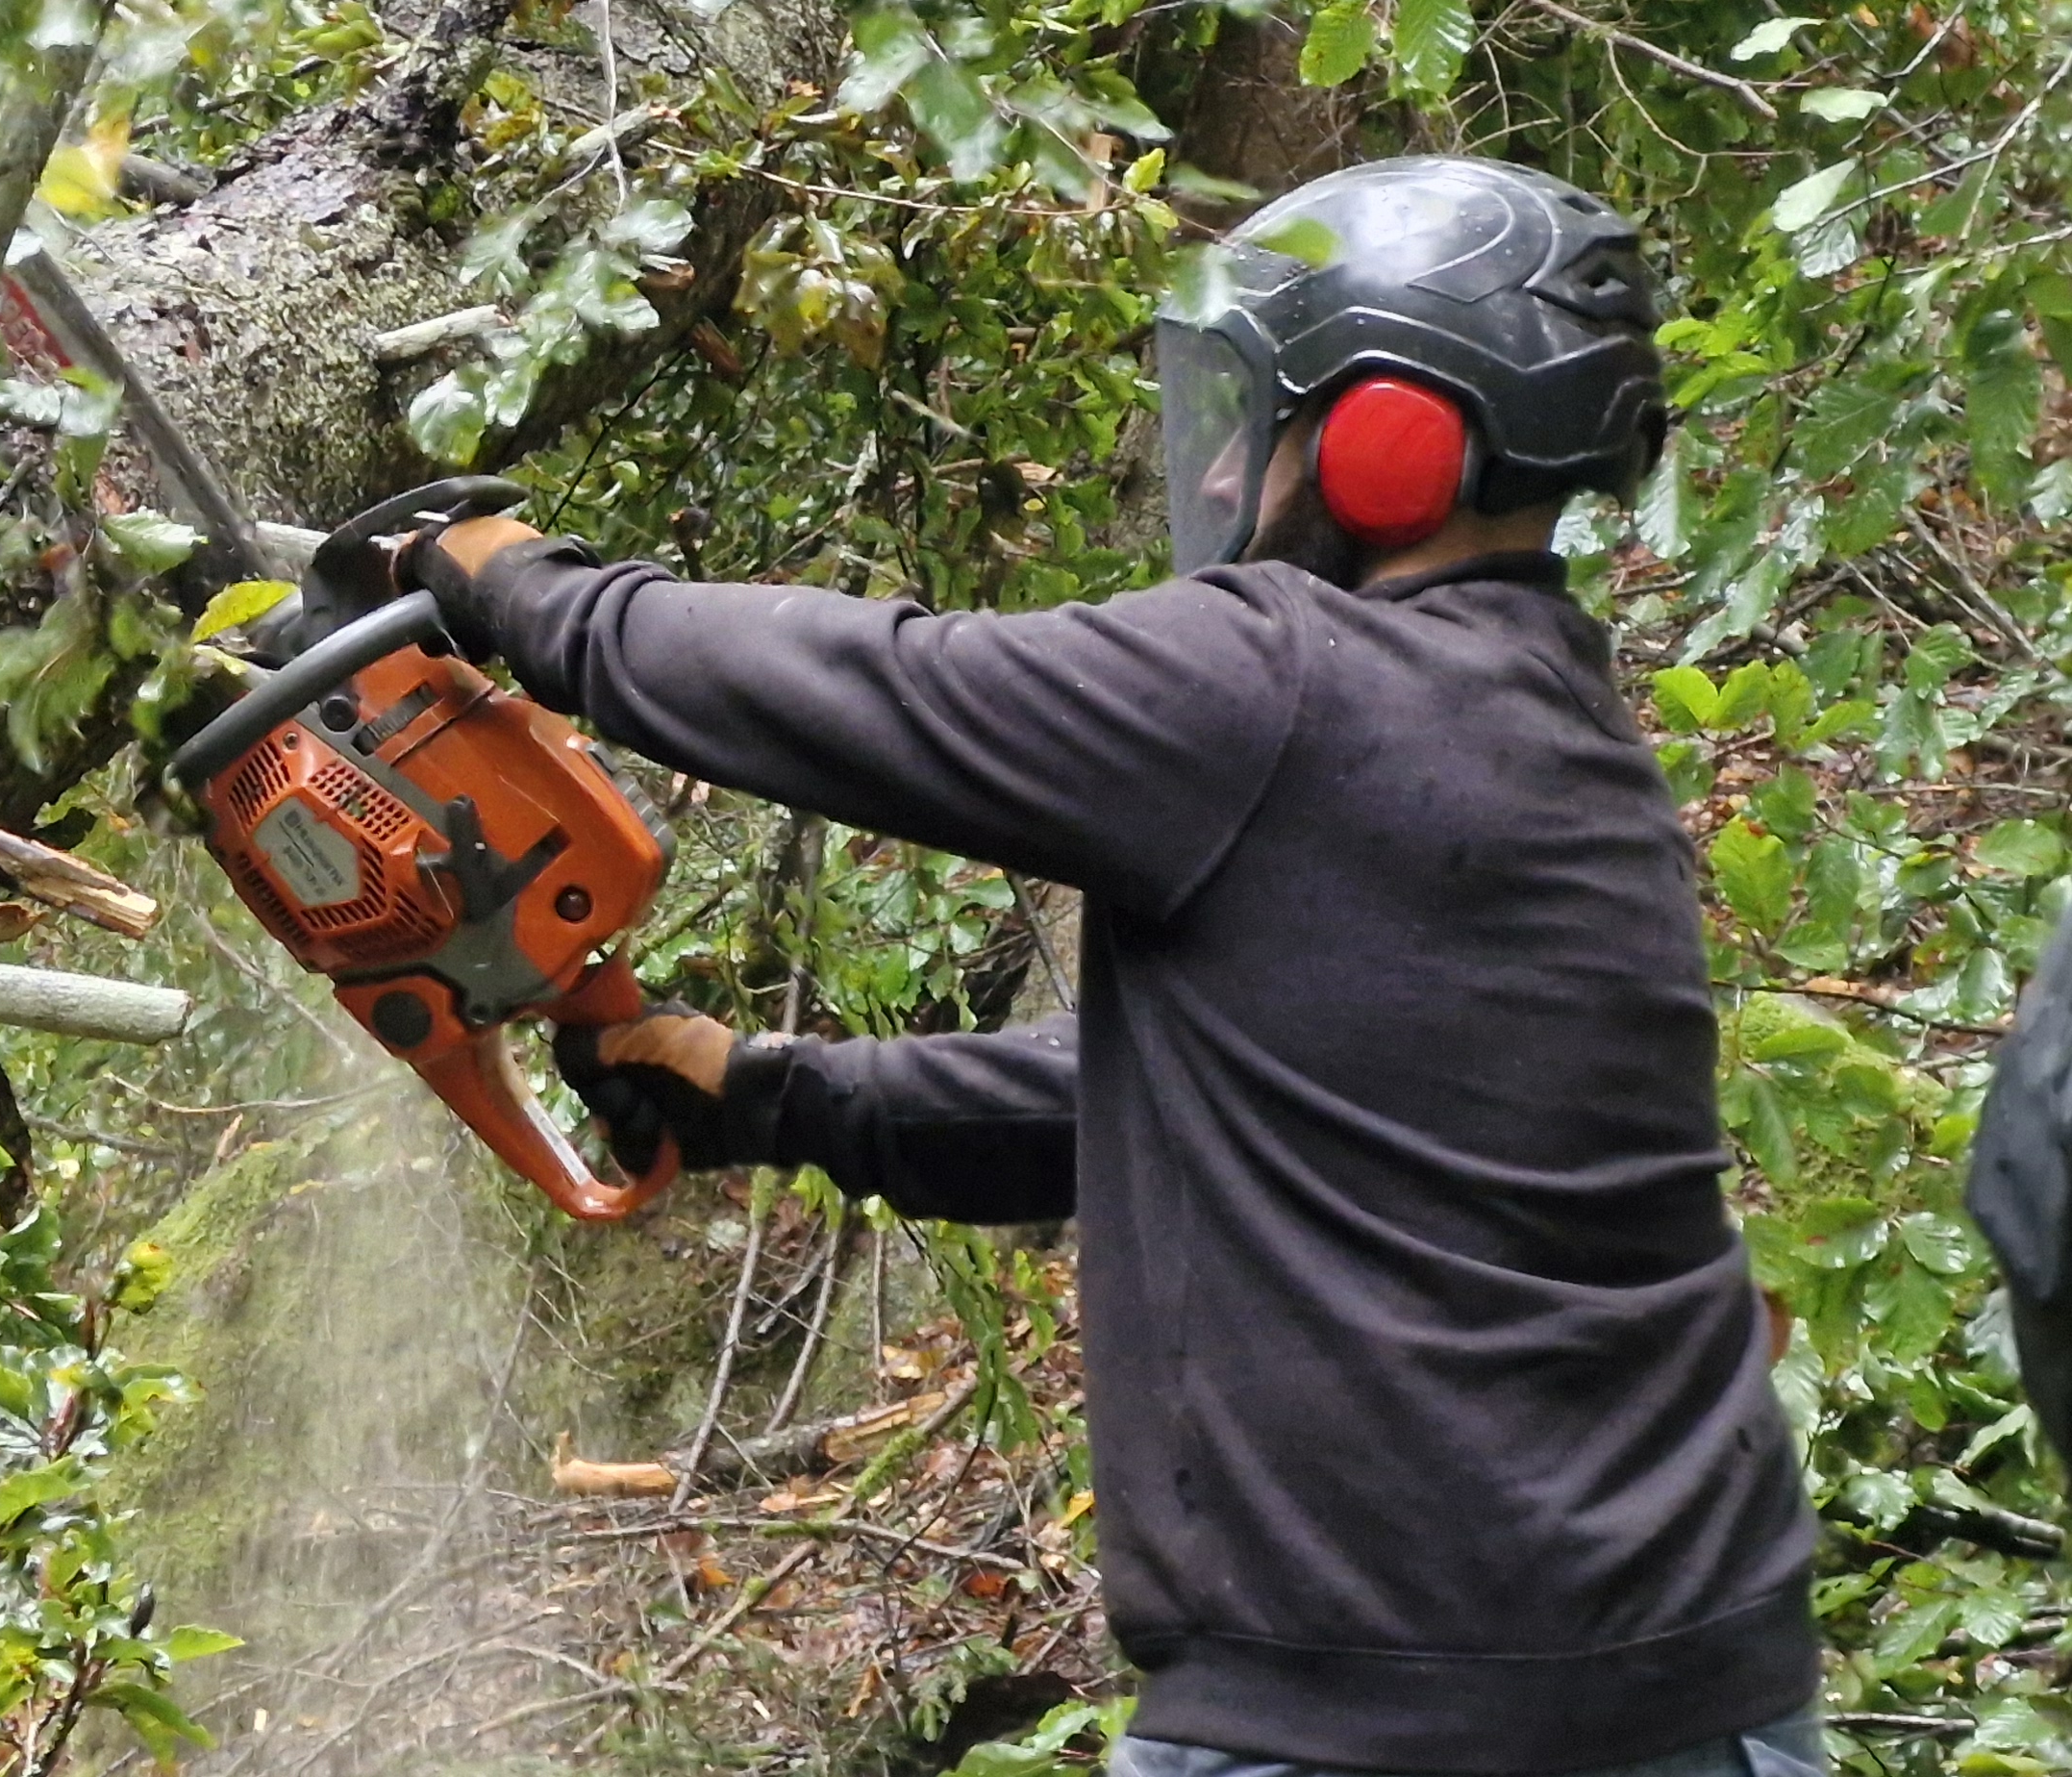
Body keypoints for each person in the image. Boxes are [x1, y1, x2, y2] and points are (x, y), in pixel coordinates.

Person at [403, 157, 1823, 1775]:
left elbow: (876, 690)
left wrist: (521, 590)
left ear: (1392, 439)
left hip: (1394, 1711)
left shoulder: (1281, 679)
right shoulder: (1554, 728)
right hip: (1703, 1684)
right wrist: (773, 1094)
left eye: (1263, 411)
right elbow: (1181, 1102)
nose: (1223, 456)